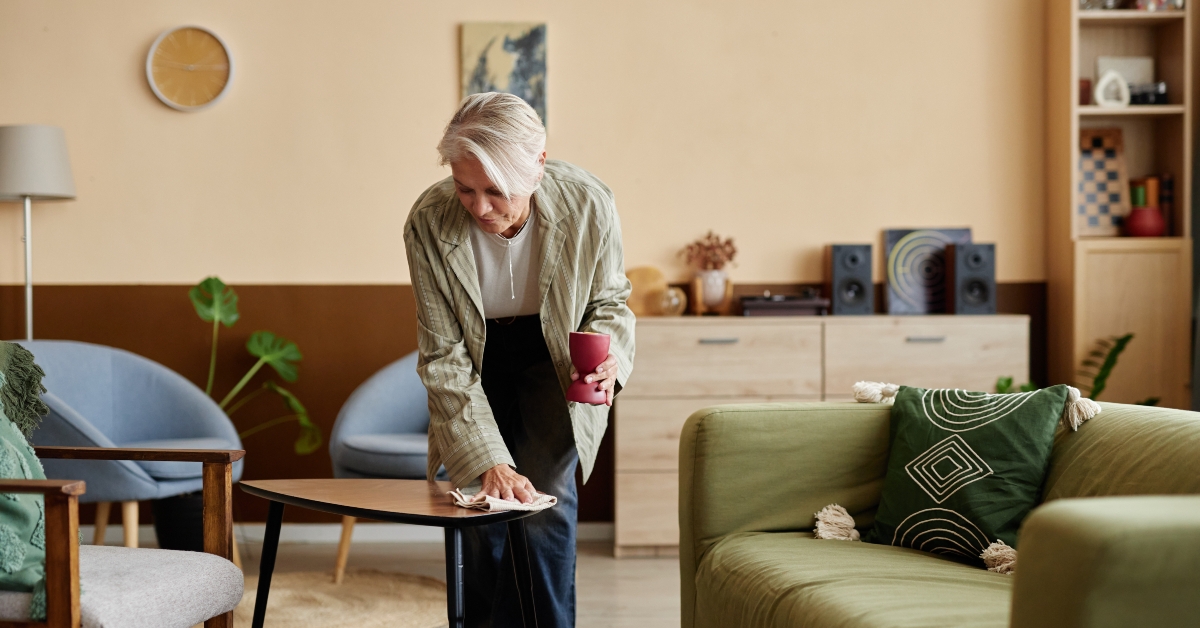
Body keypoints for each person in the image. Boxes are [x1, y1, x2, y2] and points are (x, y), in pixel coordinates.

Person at [403, 92, 635, 628]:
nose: (479, 207)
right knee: (481, 512)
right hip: (473, 358)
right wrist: (489, 461)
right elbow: (443, 353)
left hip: (555, 357)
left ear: (538, 166)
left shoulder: (589, 203)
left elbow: (609, 301)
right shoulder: (428, 221)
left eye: (496, 191)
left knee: (542, 513)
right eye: (465, 188)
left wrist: (611, 356)